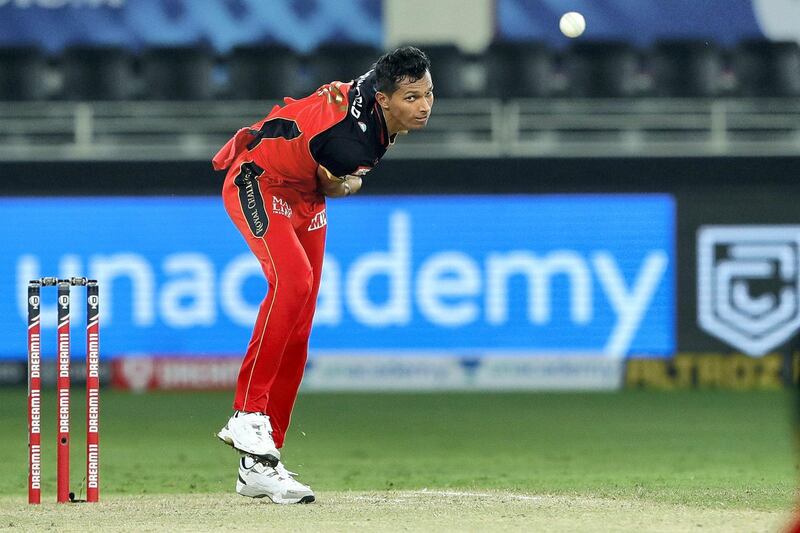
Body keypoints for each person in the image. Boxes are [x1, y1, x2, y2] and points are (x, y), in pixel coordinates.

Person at [211, 46, 434, 504]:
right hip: (258, 179)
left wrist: (341, 179)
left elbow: (326, 175)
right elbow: (336, 182)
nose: (424, 106)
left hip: (303, 198)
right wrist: (354, 182)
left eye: (429, 93)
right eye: (412, 98)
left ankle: (260, 467)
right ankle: (247, 414)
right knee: (290, 283)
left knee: (299, 322)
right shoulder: (351, 141)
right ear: (386, 100)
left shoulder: (379, 85)